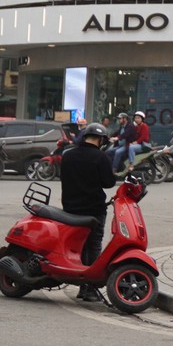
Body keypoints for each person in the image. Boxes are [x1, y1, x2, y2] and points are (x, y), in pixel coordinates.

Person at [60, 123, 119, 303]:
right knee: (93, 246)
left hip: (70, 210)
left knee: (79, 246)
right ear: (100, 140)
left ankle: (81, 286)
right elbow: (108, 183)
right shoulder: (100, 157)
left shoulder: (68, 156)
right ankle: (89, 288)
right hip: (93, 210)